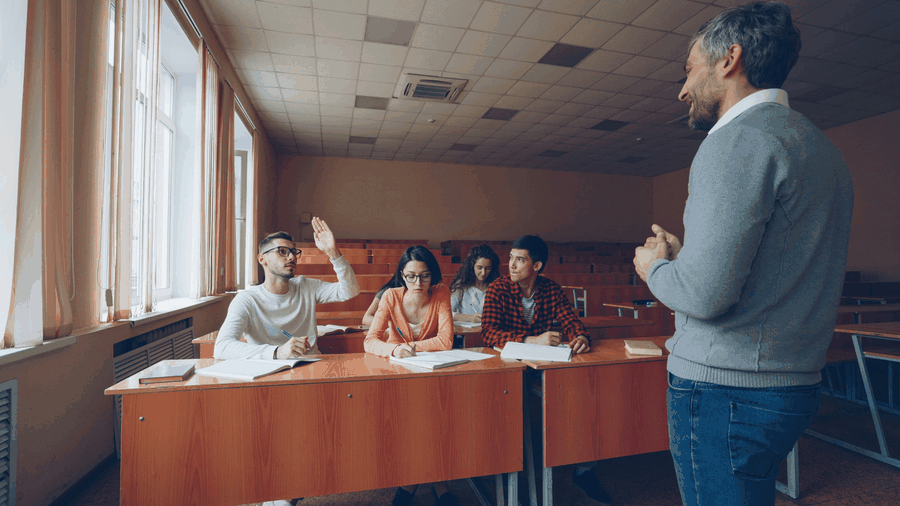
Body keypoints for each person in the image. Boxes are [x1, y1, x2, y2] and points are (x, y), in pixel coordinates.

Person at [633, 3, 854, 506]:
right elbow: (772, 267)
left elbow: (704, 297)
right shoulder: (823, 150)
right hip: (791, 385)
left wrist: (655, 267)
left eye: (689, 69)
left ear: (729, 59)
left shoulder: (733, 141)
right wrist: (687, 258)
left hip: (726, 391)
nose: (682, 89)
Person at [482, 235, 611, 505]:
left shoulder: (551, 289)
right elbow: (489, 333)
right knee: (509, 411)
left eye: (520, 259)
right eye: (510, 258)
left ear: (537, 265)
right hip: (509, 368)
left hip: (542, 366)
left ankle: (584, 469)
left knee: (586, 395)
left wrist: (581, 338)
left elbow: (571, 320)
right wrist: (529, 340)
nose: (511, 265)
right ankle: (512, 474)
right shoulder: (498, 288)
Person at [363, 245, 456, 506]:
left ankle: (416, 483)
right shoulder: (390, 296)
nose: (418, 282)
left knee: (436, 424)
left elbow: (446, 340)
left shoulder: (441, 292)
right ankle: (437, 484)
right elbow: (370, 341)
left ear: (433, 275)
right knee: (412, 427)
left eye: (424, 275)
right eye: (411, 276)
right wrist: (394, 349)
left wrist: (411, 347)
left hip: (434, 374)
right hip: (400, 373)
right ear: (402, 275)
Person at [215, 218, 360, 361]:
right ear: (262, 259)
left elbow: (350, 290)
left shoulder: (307, 286)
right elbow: (222, 348)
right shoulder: (247, 300)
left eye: (293, 252)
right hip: (267, 372)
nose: (291, 257)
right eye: (282, 251)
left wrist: (333, 252)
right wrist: (277, 352)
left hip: (310, 367)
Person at [448, 244, 501, 323]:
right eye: (479, 268)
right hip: (464, 333)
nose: (483, 273)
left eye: (488, 268)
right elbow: (447, 314)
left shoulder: (496, 286)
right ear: (472, 266)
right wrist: (470, 317)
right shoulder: (461, 285)